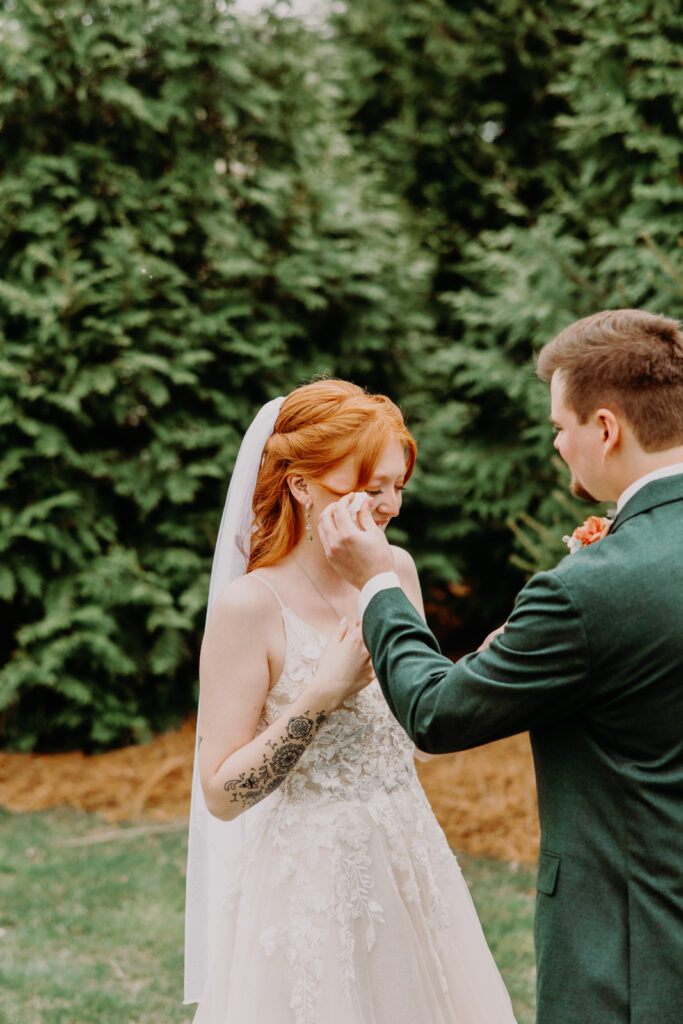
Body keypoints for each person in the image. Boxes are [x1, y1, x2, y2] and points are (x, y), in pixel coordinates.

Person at [318, 309, 683, 1024]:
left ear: (605, 429)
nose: (557, 443)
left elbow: (436, 713)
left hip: (634, 949)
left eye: (560, 426)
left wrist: (376, 584)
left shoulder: (589, 589)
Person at [184, 379, 517, 1024]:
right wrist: (321, 696)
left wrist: (484, 664)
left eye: (397, 485)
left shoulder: (396, 572)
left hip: (410, 860)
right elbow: (222, 795)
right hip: (309, 882)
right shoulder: (250, 606)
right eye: (367, 488)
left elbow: (419, 735)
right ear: (301, 485)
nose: (389, 505)